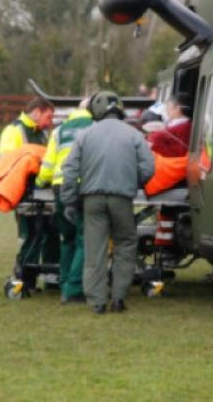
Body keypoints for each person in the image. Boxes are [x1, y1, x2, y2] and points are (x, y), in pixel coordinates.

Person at [60, 91, 155, 314]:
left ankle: (97, 302)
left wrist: (70, 201)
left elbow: (70, 170)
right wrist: (133, 180)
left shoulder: (84, 135)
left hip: (91, 199)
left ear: (96, 111)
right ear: (120, 109)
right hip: (122, 198)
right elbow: (148, 168)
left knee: (95, 250)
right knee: (126, 244)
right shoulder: (134, 134)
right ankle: (119, 298)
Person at [35, 99, 93, 304]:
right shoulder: (94, 127)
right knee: (84, 239)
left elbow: (48, 164)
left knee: (66, 238)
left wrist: (40, 183)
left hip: (60, 187)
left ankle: (64, 284)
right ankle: (74, 289)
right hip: (84, 186)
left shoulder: (59, 131)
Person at [0, 96, 57, 288]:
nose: (51, 122)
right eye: (49, 116)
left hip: (43, 193)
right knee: (31, 235)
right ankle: (24, 279)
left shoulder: (41, 134)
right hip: (25, 195)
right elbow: (5, 162)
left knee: (50, 232)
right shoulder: (14, 131)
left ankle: (51, 278)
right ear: (37, 111)